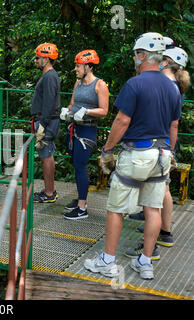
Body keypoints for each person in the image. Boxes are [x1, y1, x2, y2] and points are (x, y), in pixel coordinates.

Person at [84, 32, 180, 280]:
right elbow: (174, 126)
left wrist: (107, 149)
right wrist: (171, 151)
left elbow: (122, 120)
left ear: (141, 55)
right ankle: (146, 262)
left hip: (137, 153)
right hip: (161, 154)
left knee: (116, 209)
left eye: (136, 54)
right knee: (153, 209)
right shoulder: (172, 87)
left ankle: (107, 261)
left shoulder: (134, 84)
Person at [125, 45, 189, 259]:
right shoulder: (174, 86)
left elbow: (174, 124)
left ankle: (153, 245)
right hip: (165, 146)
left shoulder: (167, 86)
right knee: (163, 191)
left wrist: (169, 150)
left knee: (157, 196)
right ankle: (165, 232)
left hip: (160, 146)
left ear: (167, 62)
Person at [60, 50, 109, 220]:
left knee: (80, 165)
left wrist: (87, 111)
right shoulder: (77, 84)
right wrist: (66, 111)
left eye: (78, 66)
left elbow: (104, 110)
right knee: (76, 164)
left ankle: (82, 209)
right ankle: (81, 198)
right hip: (74, 128)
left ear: (88, 66)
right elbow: (73, 103)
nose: (75, 69)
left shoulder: (99, 85)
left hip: (87, 130)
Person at [31, 43, 61, 204]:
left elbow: (49, 103)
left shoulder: (49, 77)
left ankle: (49, 193)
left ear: (46, 59)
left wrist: (42, 125)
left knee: (46, 156)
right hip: (47, 121)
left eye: (38, 57)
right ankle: (49, 190)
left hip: (47, 122)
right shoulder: (49, 76)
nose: (35, 60)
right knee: (46, 155)